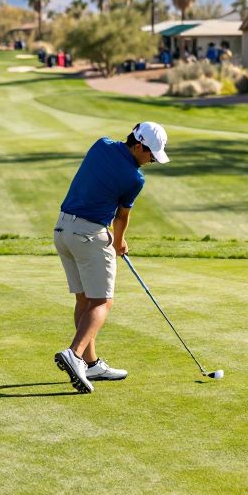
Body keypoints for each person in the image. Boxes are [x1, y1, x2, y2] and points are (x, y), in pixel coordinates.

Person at [53, 122, 170, 394]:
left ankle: (91, 364)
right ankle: (75, 353)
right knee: (103, 301)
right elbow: (122, 216)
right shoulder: (134, 178)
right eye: (151, 154)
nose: (151, 160)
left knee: (85, 298)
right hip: (89, 235)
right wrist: (119, 242)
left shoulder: (100, 144)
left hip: (62, 230)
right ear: (139, 146)